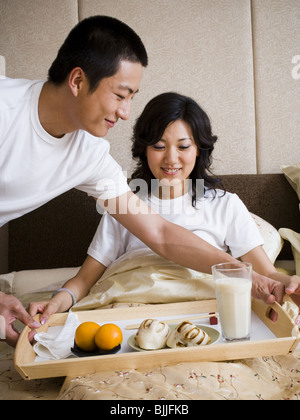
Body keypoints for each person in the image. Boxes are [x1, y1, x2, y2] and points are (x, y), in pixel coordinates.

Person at [29, 92, 300, 325]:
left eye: (183, 146)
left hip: (207, 316)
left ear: (199, 150)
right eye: (159, 146)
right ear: (144, 149)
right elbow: (84, 280)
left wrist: (286, 283)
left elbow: (266, 273)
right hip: (133, 316)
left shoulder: (225, 205)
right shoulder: (126, 206)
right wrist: (57, 301)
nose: (171, 158)